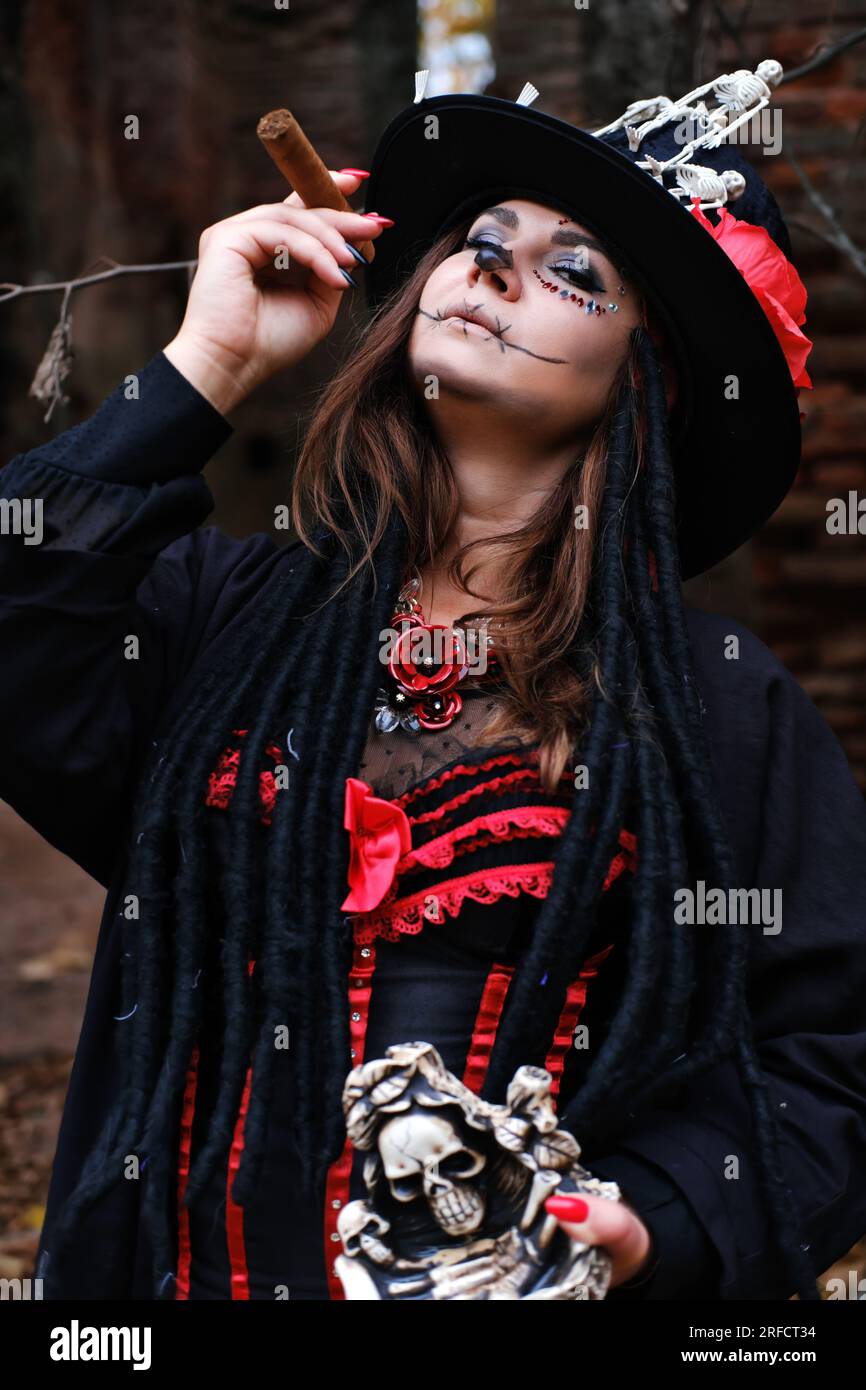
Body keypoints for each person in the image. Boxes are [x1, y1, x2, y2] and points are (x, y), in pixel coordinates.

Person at [1, 64, 865, 1303]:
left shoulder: (715, 714)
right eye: (481, 242)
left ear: (647, 382)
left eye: (575, 272)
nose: (496, 273)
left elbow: (823, 1065)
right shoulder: (216, 623)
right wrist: (202, 367)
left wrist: (636, 1225)